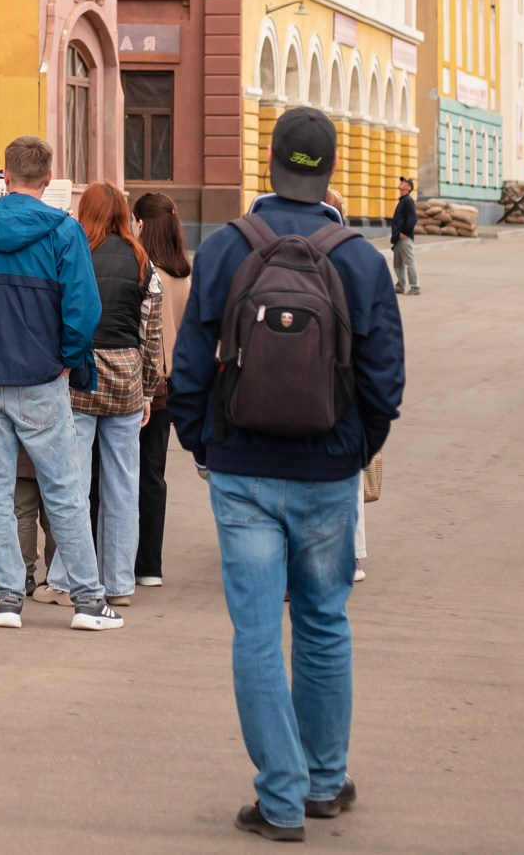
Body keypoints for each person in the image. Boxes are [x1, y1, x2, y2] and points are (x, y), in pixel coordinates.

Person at [169, 107, 406, 840]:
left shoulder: (226, 249)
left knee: (255, 632)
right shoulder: (361, 258)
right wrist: (354, 444)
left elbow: (187, 364)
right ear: (331, 169)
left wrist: (203, 442)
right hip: (328, 468)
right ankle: (324, 781)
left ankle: (279, 798)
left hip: (241, 468)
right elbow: (385, 379)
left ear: (267, 162)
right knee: (324, 620)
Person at [0, 135, 122, 632]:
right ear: (48, 179)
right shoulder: (63, 230)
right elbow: (84, 309)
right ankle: (87, 601)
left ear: (5, 175)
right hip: (40, 377)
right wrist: (68, 359)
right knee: (65, 490)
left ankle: (7, 601)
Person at [43, 182, 155, 607]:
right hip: (127, 376)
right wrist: (147, 390)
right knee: (123, 484)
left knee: (73, 482)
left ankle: (65, 581)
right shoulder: (142, 260)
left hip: (81, 376)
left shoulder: (72, 255)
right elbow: (152, 328)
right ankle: (120, 583)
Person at [131, 191, 194, 588]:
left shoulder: (143, 270)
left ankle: (121, 555)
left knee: (122, 472)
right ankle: (149, 565)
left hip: (142, 380)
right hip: (175, 384)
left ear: (143, 224)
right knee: (154, 473)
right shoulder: (186, 272)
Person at [389, 177, 421, 296]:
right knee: (398, 263)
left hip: (404, 237)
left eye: (403, 183)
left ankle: (415, 286)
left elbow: (412, 219)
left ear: (408, 188)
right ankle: (400, 286)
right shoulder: (403, 200)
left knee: (409, 261)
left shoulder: (408, 201)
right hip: (398, 237)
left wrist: (405, 232)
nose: (400, 184)